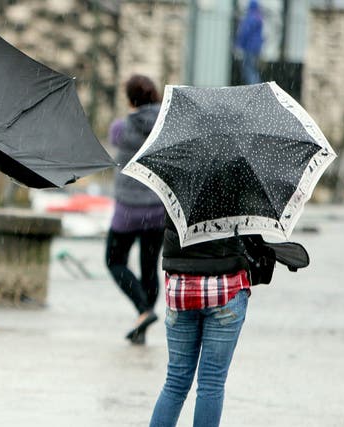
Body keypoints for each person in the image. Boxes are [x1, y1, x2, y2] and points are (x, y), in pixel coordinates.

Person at [149, 215, 256, 427]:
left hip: (180, 289)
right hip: (226, 287)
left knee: (175, 382)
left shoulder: (175, 183)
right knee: (212, 383)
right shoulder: (239, 183)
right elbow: (250, 233)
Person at [105, 75, 166, 345]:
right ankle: (145, 317)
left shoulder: (121, 128)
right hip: (157, 209)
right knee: (149, 266)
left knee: (115, 260)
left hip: (128, 210)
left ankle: (143, 310)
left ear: (130, 99)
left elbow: (114, 137)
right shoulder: (166, 127)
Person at [235, 0, 264, 85]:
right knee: (254, 69)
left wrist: (239, 44)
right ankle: (258, 87)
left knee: (248, 69)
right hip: (256, 49)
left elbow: (245, 32)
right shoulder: (259, 18)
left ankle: (254, 87)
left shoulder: (250, 17)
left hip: (249, 47)